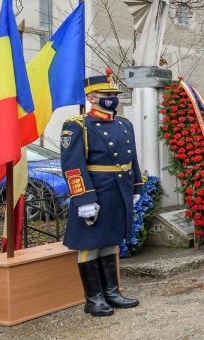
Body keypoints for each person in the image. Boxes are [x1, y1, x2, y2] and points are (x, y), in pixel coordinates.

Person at [61, 71, 144, 317]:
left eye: (114, 94)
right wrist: (84, 199)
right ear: (92, 97)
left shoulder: (124, 124)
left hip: (119, 190)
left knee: (110, 241)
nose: (112, 98)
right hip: (96, 191)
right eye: (107, 95)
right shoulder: (77, 126)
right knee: (90, 244)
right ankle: (93, 298)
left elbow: (132, 160)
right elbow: (73, 166)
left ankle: (112, 292)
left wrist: (136, 187)